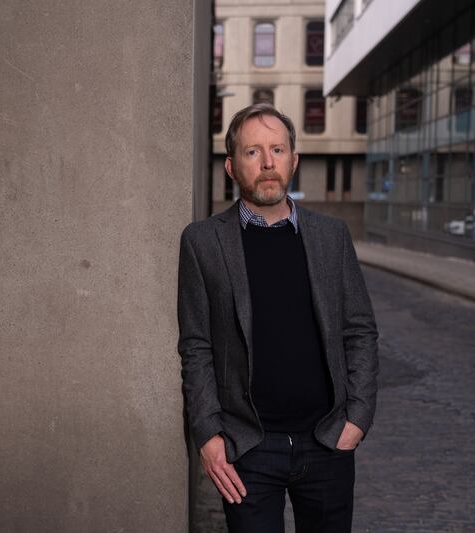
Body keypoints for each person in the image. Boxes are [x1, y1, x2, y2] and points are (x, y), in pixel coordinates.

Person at [177, 103, 379, 533]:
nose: (268, 163)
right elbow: (196, 346)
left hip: (328, 442)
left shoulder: (331, 237)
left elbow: (359, 330)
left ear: (294, 159)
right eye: (253, 152)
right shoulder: (203, 243)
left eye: (277, 149)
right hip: (248, 447)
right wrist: (209, 436)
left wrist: (357, 417)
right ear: (231, 167)